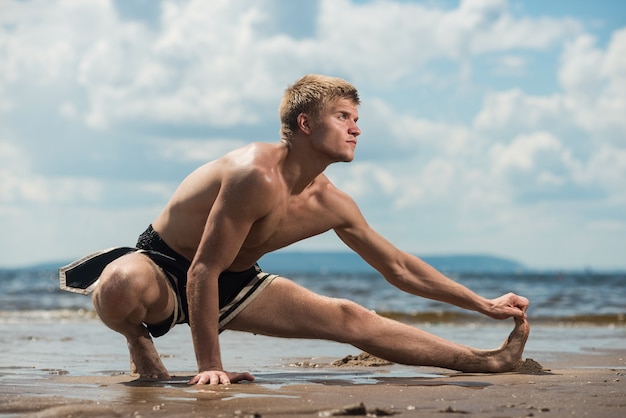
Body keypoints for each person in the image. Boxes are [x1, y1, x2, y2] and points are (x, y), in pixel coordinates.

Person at [90, 74, 530, 386]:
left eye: (356, 119)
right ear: (305, 123)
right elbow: (201, 268)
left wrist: (482, 304)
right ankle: (137, 338)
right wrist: (210, 366)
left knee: (349, 317)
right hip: (165, 266)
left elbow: (398, 267)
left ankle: (487, 362)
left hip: (234, 282)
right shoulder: (254, 175)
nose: (356, 128)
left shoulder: (331, 203)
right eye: (343, 116)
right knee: (119, 285)